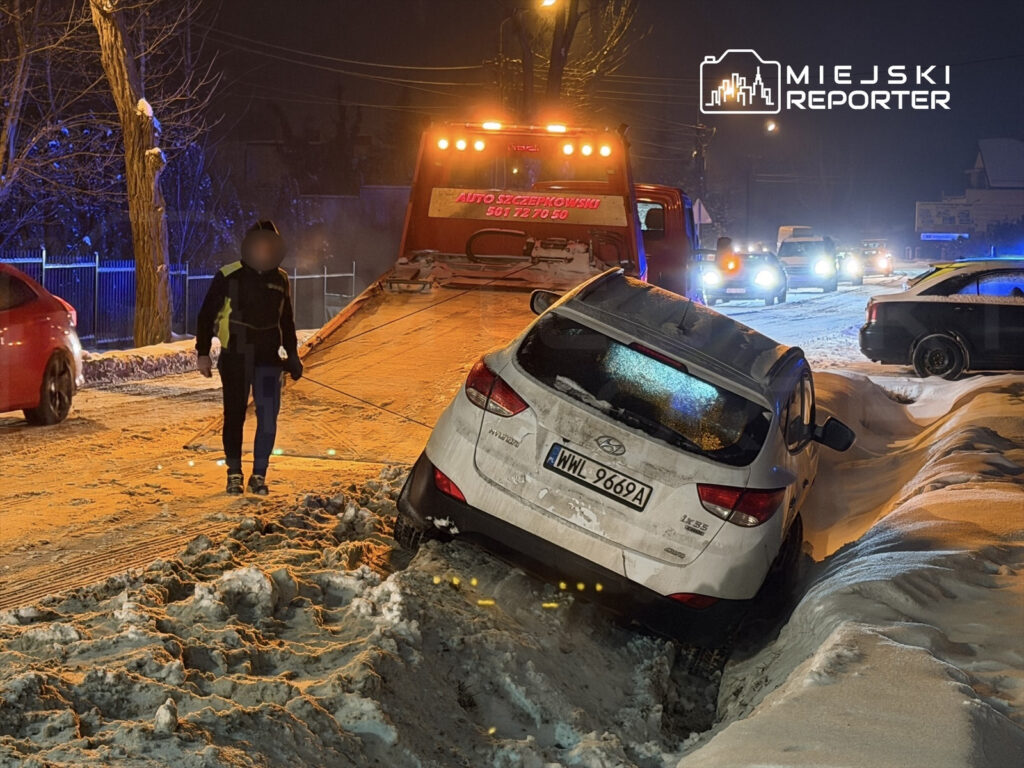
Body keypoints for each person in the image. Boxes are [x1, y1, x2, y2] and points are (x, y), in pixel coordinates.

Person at [195, 220, 303, 495]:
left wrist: (292, 355)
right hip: (235, 357)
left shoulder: (280, 279)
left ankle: (259, 474)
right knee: (235, 416)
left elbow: (287, 320)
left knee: (268, 418)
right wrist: (203, 352)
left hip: (268, 359)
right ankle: (234, 473)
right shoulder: (229, 274)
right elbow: (206, 314)